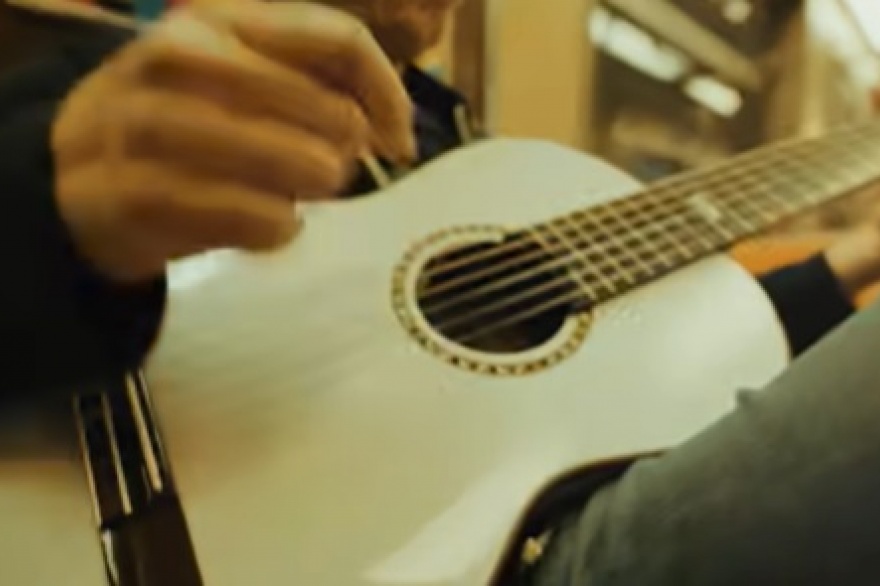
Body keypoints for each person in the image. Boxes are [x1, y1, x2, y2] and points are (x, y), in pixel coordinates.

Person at [1, 0, 880, 584]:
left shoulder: (461, 149)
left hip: (514, 535)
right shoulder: (110, 74)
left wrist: (854, 259)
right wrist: (53, 197)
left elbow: (647, 365)